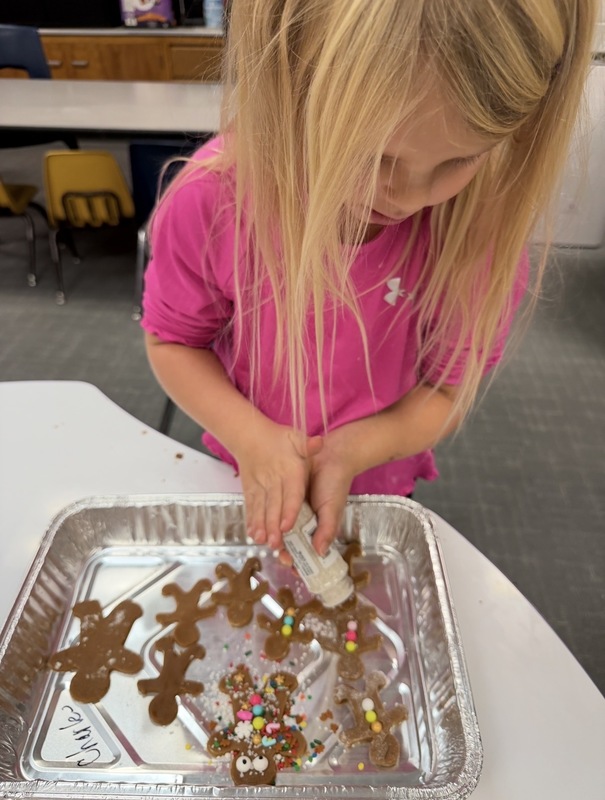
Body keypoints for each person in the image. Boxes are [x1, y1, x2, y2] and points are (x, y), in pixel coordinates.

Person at [141, 0, 597, 560]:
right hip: (243, 468)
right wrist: (253, 438)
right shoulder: (213, 203)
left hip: (377, 474)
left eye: (459, 161)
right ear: (287, 84)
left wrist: (353, 452)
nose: (407, 197)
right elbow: (173, 341)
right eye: (373, 156)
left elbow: (447, 391)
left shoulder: (478, 237)